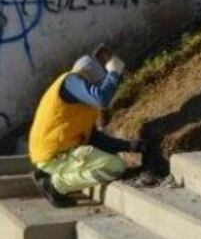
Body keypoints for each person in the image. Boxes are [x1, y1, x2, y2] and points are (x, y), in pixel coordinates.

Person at [28, 54, 164, 208]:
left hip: (55, 153)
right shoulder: (70, 81)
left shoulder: (82, 105)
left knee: (108, 159)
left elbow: (93, 138)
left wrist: (128, 146)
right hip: (53, 155)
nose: (96, 88)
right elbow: (102, 99)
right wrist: (113, 73)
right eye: (96, 84)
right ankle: (55, 185)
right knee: (114, 166)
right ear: (84, 76)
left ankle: (51, 173)